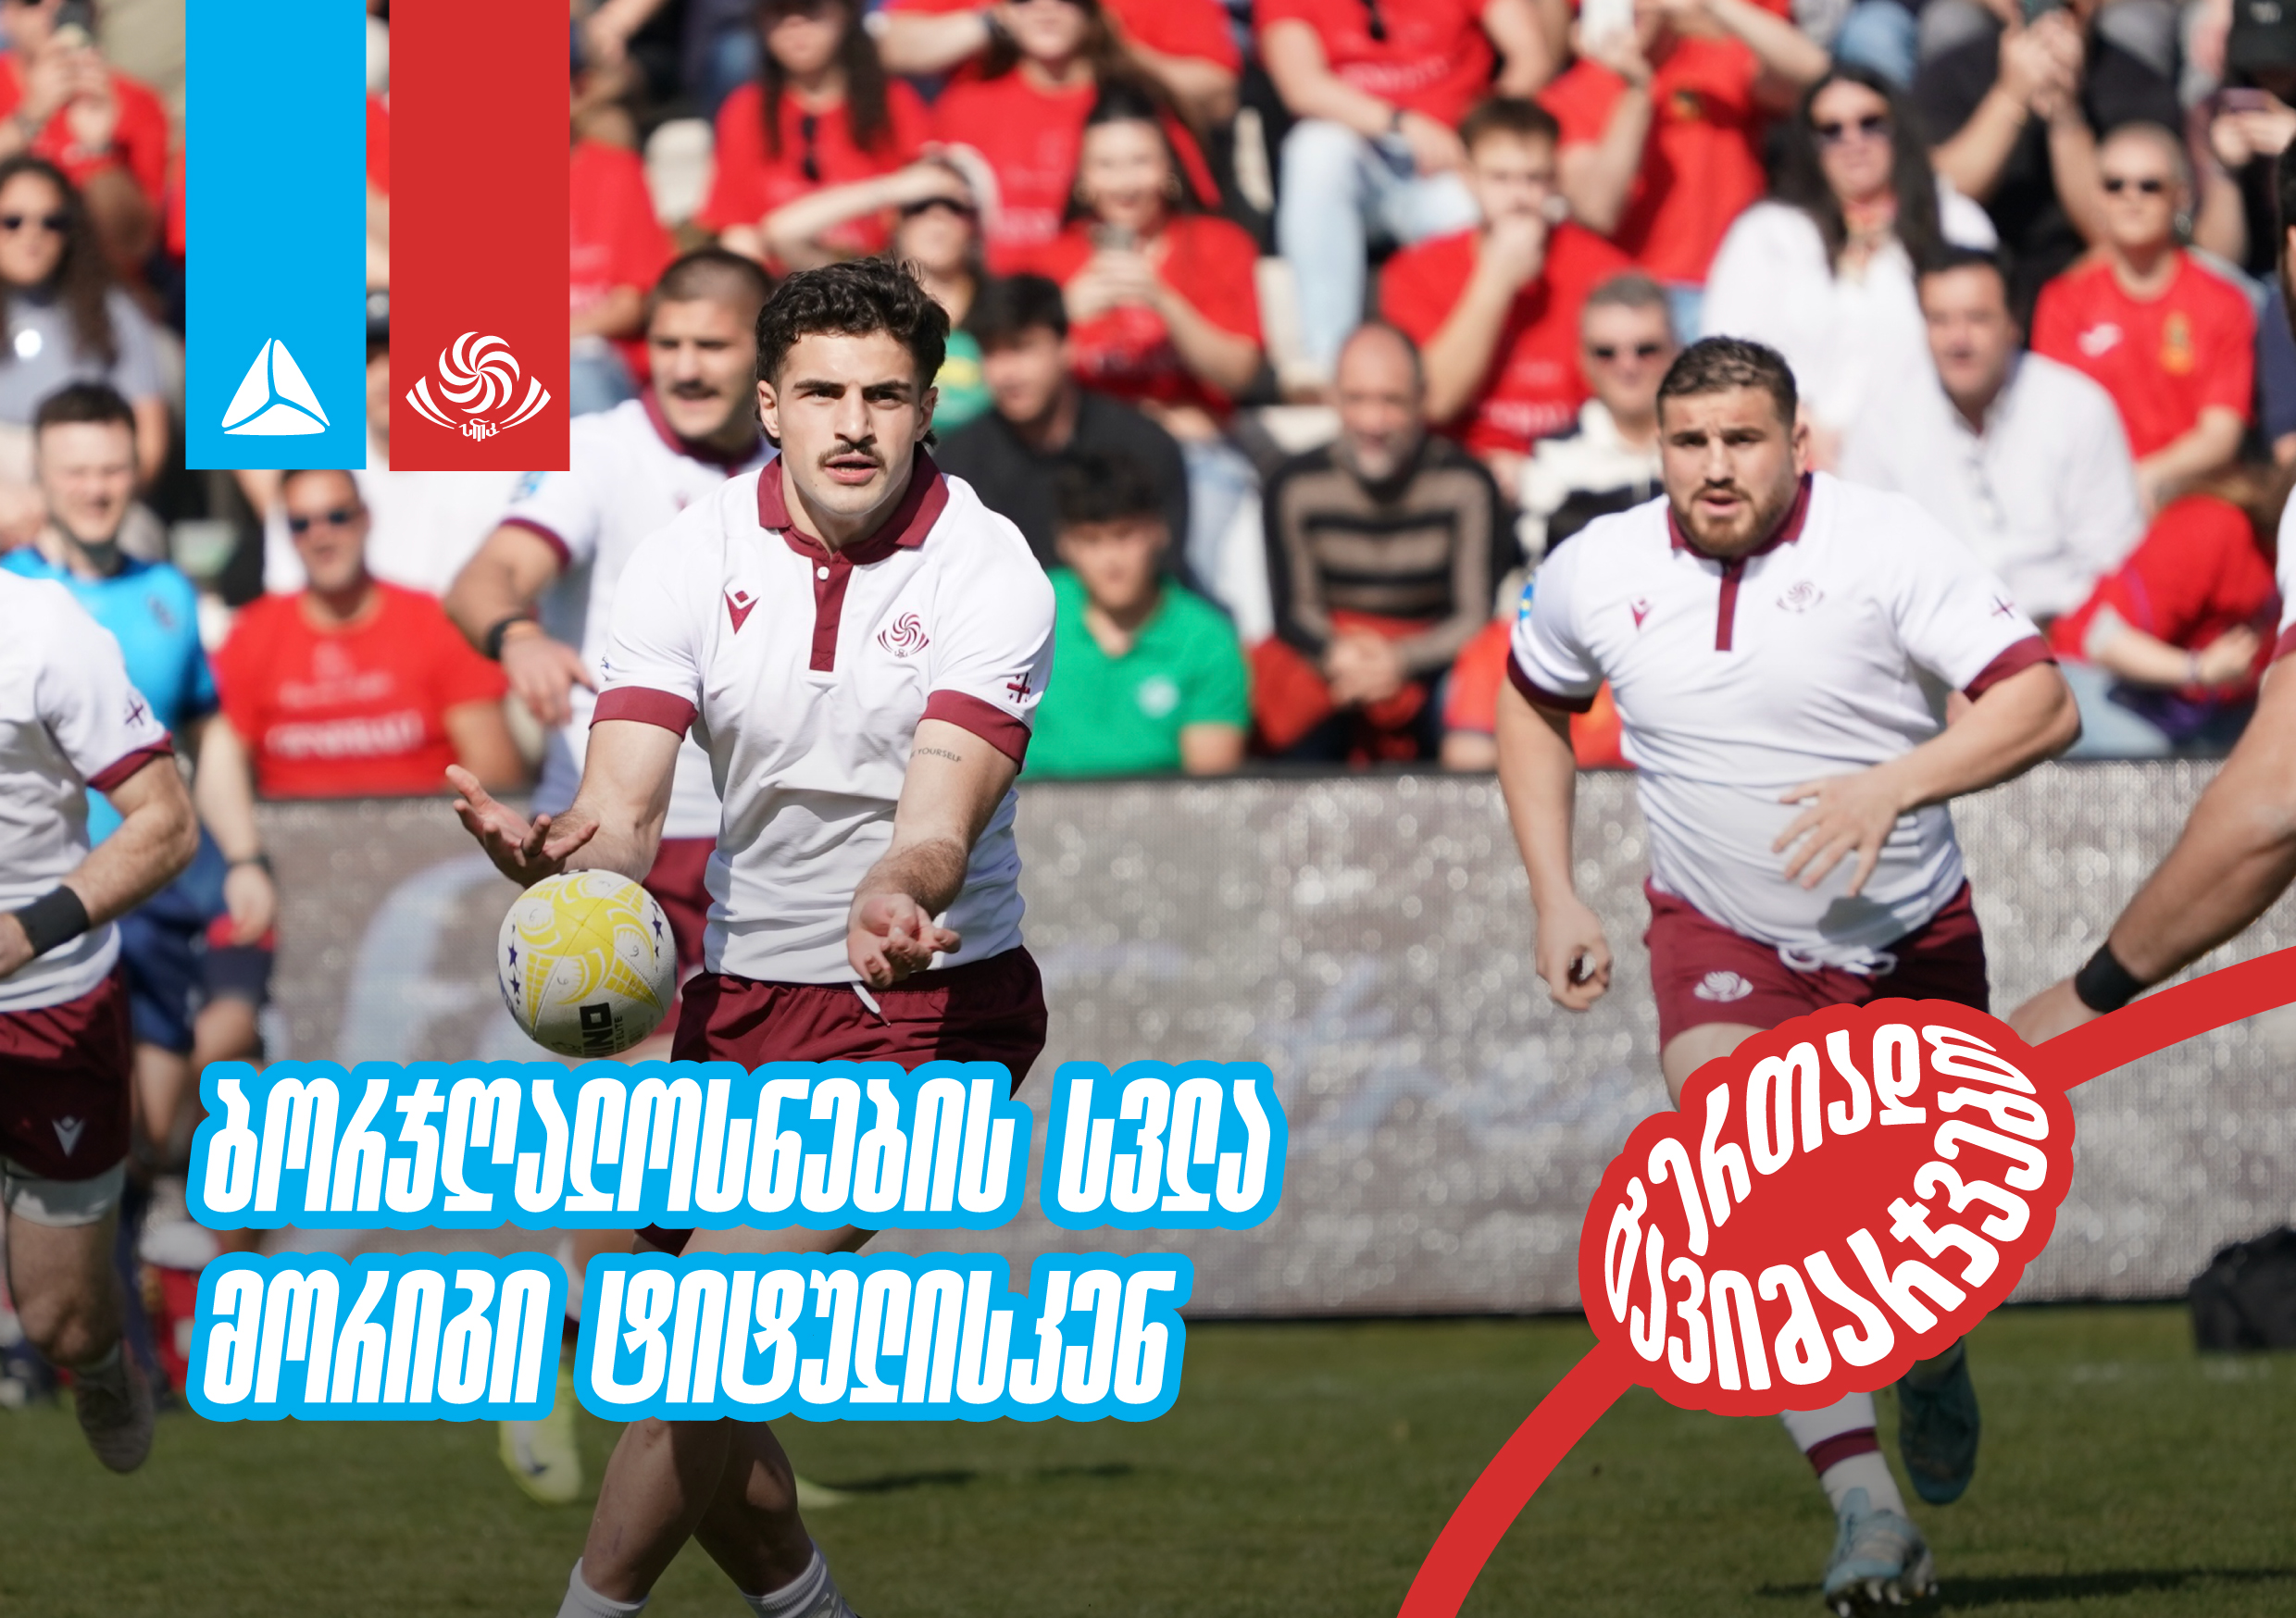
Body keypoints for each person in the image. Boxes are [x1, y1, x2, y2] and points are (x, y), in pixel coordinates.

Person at [446, 257, 1054, 1618]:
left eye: (886, 395)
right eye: (824, 393)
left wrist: (899, 890)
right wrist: (557, 859)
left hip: (931, 1000)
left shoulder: (992, 567)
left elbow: (939, 816)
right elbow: (622, 812)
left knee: (698, 1345)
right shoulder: (685, 556)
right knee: (678, 1385)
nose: (855, 424)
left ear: (926, 408)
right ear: (769, 406)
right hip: (741, 1002)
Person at [1495, 337, 2079, 1609]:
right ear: (1658, 448)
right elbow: (1531, 700)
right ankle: (1868, 1510)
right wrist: (1554, 891)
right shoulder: (1597, 565)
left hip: (1911, 943)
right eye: (1690, 442)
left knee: (1909, 1253)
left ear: (1795, 443)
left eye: (1742, 439)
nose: (1715, 466)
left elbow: (2042, 703)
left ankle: (1930, 1352)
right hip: (1722, 940)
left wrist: (1894, 784)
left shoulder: (1884, 542)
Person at [444, 247, 775, 1504]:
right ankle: (565, 1370)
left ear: (761, 360)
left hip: (758, 840)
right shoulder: (597, 453)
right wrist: (519, 633)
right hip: (612, 834)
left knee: (736, 1150)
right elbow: (484, 578)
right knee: (642, 1125)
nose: (684, 365)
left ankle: (718, 1440)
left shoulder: (799, 468)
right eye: (668, 342)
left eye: (712, 344)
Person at [2, 383, 278, 1371]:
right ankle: (77, 1336)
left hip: (146, 900)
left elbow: (209, 734)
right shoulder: (20, 599)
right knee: (115, 1126)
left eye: (113, 468)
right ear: (41, 477)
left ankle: (108, 1332)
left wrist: (244, 854)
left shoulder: (165, 594)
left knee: (151, 1126)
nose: (96, 488)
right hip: (52, 918)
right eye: (76, 470)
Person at [2011, 149, 2296, 1044]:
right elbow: (2099, 631)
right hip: (2116, 681)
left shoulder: (2232, 524)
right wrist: (2193, 671)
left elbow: (2275, 803)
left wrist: (2088, 995)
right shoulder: (2214, 529)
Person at [0, 557, 194, 1474]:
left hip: (51, 1002)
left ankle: (103, 1357)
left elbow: (166, 823)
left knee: (60, 1320)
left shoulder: (43, 629)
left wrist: (20, 935)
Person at [1029, 79, 1264, 591]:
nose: (1124, 182)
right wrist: (1062, 318)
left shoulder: (1221, 245)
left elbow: (1240, 373)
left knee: (1194, 582)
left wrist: (1166, 303)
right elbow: (1015, 382)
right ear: (1083, 178)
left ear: (1169, 170)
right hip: (1082, 460)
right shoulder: (1051, 261)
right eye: (1106, 165)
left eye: (1140, 161)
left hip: (1193, 457)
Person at [1440, 272, 1677, 771]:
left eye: (1646, 349)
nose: (1628, 366)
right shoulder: (1545, 463)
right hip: (1573, 645)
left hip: (1675, 643)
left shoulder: (1707, 455)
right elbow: (1528, 588)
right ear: (1582, 359)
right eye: (1606, 352)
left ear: (1676, 350)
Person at [1702, 65, 1998, 463]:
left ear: (1898, 129)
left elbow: (1988, 342)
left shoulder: (1955, 221)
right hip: (1796, 458)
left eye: (1871, 123)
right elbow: (1726, 353)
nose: (1853, 141)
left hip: (1932, 452)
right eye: (1831, 130)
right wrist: (1792, 423)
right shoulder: (1767, 234)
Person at [1841, 247, 2143, 627]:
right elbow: (1865, 562)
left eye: (1978, 318)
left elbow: (2112, 560)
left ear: (2014, 323)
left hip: (2065, 635)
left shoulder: (2078, 408)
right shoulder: (1883, 420)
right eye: (1939, 320)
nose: (1958, 340)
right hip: (1934, 641)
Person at [1256, 0, 1556, 380]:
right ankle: (1329, 363)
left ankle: (1456, 369)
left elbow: (1532, 57)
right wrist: (1401, 123)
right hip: (1357, 157)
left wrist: (1482, 137)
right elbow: (1302, 87)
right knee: (1315, 149)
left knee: (1482, 202)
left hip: (1453, 161)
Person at [1255, 322, 1511, 764]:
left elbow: (1473, 613)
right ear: (1332, 398)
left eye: (1391, 401)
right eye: (1356, 399)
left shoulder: (1467, 482)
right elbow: (1294, 611)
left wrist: (1400, 660)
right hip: (1333, 661)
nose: (1373, 421)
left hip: (1432, 662)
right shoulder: (1293, 483)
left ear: (1422, 398)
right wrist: (1341, 656)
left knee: (1474, 698)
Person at [1379, 96, 1631, 502]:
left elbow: (1623, 400)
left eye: (1534, 179)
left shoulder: (1605, 269)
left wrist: (1541, 470)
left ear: (1554, 181)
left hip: (1576, 475)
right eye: (1500, 178)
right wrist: (1497, 279)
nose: (1519, 197)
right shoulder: (1414, 272)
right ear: (1468, 178)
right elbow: (1435, 401)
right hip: (1458, 473)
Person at [212, 471, 523, 800]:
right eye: (301, 524)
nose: (321, 537)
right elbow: (220, 771)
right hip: (287, 827)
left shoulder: (437, 622)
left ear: (366, 518)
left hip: (430, 825)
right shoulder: (250, 636)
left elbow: (494, 771)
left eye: (337, 517)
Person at [1541, 0, 1828, 338]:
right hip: (1637, 311)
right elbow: (1598, 210)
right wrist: (1637, 91)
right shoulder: (1569, 94)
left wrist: (1712, 5)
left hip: (1735, 289)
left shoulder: (1713, 57)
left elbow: (1817, 77)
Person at [2030, 122, 2254, 516]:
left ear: (2181, 196)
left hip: (2193, 498)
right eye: (2114, 185)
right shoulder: (2062, 302)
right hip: (2088, 501)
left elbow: (2221, 436)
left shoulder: (2224, 302)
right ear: (2098, 197)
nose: (2131, 198)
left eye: (2150, 186)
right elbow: (2051, 422)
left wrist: (2143, 479)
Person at [1913, 0, 2180, 312]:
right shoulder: (1950, 74)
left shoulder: (2139, 85)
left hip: (2089, 298)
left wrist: (2066, 114)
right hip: (1978, 293)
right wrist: (2010, 96)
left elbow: (2114, 227)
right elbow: (1941, 197)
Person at [928, 1, 1212, 270]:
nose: (1046, 8)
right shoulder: (964, 105)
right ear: (1004, 10)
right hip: (995, 294)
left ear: (1093, 10)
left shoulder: (1133, 106)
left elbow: (1192, 217)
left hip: (1106, 286)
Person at [937, 271, 1190, 574]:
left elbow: (1166, 575)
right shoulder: (959, 466)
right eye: (991, 352)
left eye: (1021, 347)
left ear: (1066, 347)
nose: (1006, 373)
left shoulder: (1144, 447)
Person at [1026, 451, 1248, 778]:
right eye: (1090, 540)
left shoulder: (1208, 643)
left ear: (1159, 531)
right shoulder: (1027, 612)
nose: (1111, 560)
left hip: (1163, 812)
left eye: (1125, 535)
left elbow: (1210, 794)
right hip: (1024, 809)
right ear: (1064, 543)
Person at [2042, 477, 2281, 757]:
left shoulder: (2278, 560)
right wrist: (2200, 669)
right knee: (2151, 760)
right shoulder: (2215, 526)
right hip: (2091, 674)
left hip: (2194, 708)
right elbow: (2103, 642)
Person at [0, 155, 162, 549]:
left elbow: (149, 440)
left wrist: (82, 501)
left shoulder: (113, 313)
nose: (32, 235)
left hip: (90, 491)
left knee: (133, 541)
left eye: (52, 222)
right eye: (12, 221)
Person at [764, 157, 994, 429]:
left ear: (976, 221)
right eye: (919, 204)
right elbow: (781, 234)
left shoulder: (998, 302)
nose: (937, 218)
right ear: (895, 218)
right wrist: (891, 189)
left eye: (954, 207)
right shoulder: (864, 290)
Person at [701, 0, 927, 269]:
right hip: (780, 283)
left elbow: (925, 199)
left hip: (877, 274)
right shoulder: (745, 109)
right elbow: (737, 231)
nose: (795, 25)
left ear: (845, 14)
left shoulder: (893, 101)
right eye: (779, 13)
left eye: (811, 9)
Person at [874, 0, 1243, 131]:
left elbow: (1219, 96)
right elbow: (891, 48)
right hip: (996, 171)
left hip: (1120, 177)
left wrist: (1108, 44)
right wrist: (997, 19)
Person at [0, 0, 168, 278]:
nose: (52, 12)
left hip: (94, 284)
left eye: (70, 2)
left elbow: (135, 243)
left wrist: (98, 149)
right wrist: (30, 117)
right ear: (8, 15)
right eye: (32, 2)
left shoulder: (136, 103)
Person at [570, 62, 677, 417]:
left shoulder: (618, 171)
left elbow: (631, 305)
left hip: (603, 360)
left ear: (578, 92)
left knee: (576, 375)